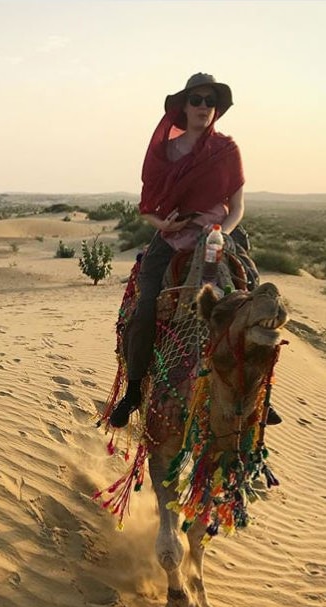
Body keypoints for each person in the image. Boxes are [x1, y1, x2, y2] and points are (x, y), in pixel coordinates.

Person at [109, 73, 281, 428]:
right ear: (183, 106)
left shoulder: (227, 150)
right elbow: (148, 209)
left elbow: (237, 207)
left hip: (218, 235)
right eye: (197, 100)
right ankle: (135, 390)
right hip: (172, 237)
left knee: (257, 306)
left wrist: (221, 232)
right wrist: (163, 227)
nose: (204, 107)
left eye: (210, 102)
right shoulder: (165, 152)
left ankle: (263, 398)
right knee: (145, 306)